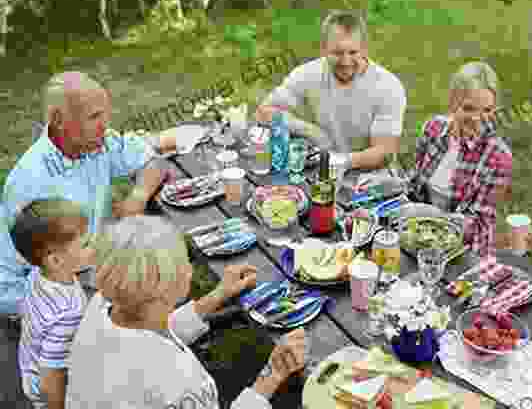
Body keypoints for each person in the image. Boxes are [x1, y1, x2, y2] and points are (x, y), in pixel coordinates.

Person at [65, 215, 307, 409]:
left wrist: (218, 295)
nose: (190, 268)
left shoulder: (105, 302)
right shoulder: (180, 381)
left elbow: (154, 328)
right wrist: (272, 375)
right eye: (184, 261)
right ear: (166, 287)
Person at [0, 71, 178, 316]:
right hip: (42, 288)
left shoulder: (94, 143)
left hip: (82, 261)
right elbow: (48, 269)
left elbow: (153, 161)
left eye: (106, 114)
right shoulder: (32, 182)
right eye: (94, 116)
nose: (104, 125)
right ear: (58, 120)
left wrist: (137, 197)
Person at [255, 10, 407, 172]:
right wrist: (309, 130)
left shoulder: (388, 87)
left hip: (370, 178)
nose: (346, 62)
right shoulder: (308, 73)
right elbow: (263, 113)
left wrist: (339, 161)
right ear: (323, 49)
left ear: (364, 49)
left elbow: (384, 153)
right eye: (337, 53)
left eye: (353, 52)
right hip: (322, 169)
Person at [407, 62, 513, 259]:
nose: (477, 119)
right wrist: (388, 186)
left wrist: (428, 216)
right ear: (452, 103)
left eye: (487, 110)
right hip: (418, 237)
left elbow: (478, 225)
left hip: (465, 252)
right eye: (469, 108)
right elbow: (414, 184)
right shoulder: (433, 129)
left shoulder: (499, 158)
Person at [10, 198, 96, 409]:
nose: (94, 247)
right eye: (85, 245)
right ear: (56, 261)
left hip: (30, 363)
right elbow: (52, 376)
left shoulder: (37, 275)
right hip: (49, 389)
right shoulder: (68, 313)